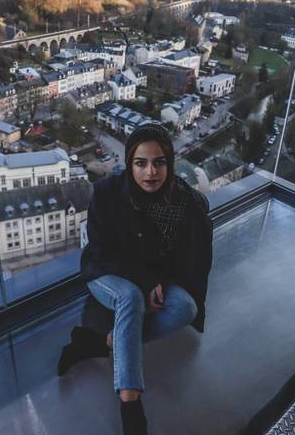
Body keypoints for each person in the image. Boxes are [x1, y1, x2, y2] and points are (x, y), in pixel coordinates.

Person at [58, 123, 213, 435]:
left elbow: (187, 257)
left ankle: (97, 342)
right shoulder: (107, 192)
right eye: (140, 163)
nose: (150, 172)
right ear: (129, 163)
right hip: (103, 270)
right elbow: (100, 250)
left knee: (185, 308)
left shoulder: (181, 202)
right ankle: (131, 407)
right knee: (131, 297)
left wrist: (159, 279)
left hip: (150, 276)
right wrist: (145, 279)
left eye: (159, 162)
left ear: (169, 162)